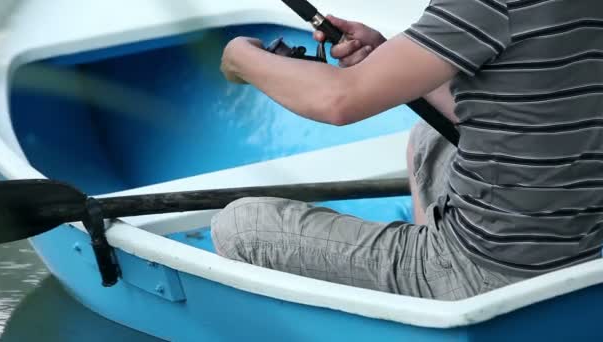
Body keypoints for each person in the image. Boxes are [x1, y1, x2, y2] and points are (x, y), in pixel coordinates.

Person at [212, 1, 603, 300]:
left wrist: (240, 59)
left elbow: (338, 100)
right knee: (428, 139)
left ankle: (432, 295)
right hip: (585, 252)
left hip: (490, 272)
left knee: (240, 227)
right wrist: (386, 58)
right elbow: (510, 104)